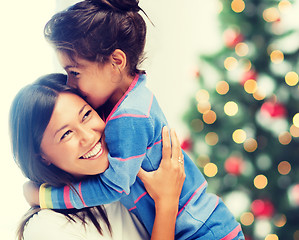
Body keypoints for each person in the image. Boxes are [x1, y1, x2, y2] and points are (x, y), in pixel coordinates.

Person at [25, 0, 245, 239]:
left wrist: (45, 196)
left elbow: (113, 186)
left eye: (75, 72)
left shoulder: (128, 117)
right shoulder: (135, 95)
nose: (70, 83)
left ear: (116, 62)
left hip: (203, 231)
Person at [10, 73, 185, 240]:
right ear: (42, 158)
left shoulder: (125, 174)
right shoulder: (47, 228)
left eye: (86, 115)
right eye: (66, 134)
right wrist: (167, 203)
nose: (88, 136)